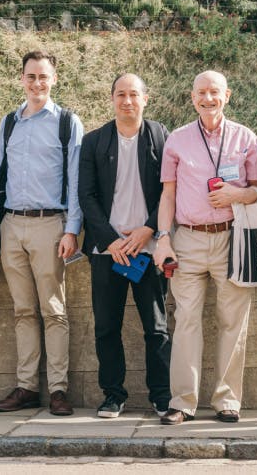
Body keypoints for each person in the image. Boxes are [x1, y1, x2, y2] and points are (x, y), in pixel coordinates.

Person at [152, 71, 257, 424]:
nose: (208, 98)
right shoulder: (178, 140)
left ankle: (227, 400)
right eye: (201, 92)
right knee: (185, 320)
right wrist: (163, 237)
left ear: (227, 95)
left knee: (233, 321)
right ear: (192, 97)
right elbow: (167, 194)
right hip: (187, 238)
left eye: (214, 92)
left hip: (233, 238)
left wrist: (238, 194)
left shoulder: (246, 138)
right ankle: (182, 402)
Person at [0, 50, 83, 416]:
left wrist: (72, 229)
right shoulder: (9, 122)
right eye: (31, 76)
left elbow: (75, 180)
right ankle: (27, 387)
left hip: (50, 224)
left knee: (54, 310)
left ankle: (58, 389)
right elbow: (0, 177)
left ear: (54, 79)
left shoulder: (67, 122)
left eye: (44, 77)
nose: (37, 83)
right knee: (23, 311)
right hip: (11, 225)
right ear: (22, 79)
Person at [78, 73, 171, 419]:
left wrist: (148, 230)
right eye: (120, 94)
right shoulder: (94, 142)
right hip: (108, 252)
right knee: (106, 326)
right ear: (112, 98)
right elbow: (86, 196)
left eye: (134, 94)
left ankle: (161, 396)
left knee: (157, 327)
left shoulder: (162, 138)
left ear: (145, 99)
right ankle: (112, 395)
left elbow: (169, 191)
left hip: (147, 249)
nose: (127, 101)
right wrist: (111, 239)